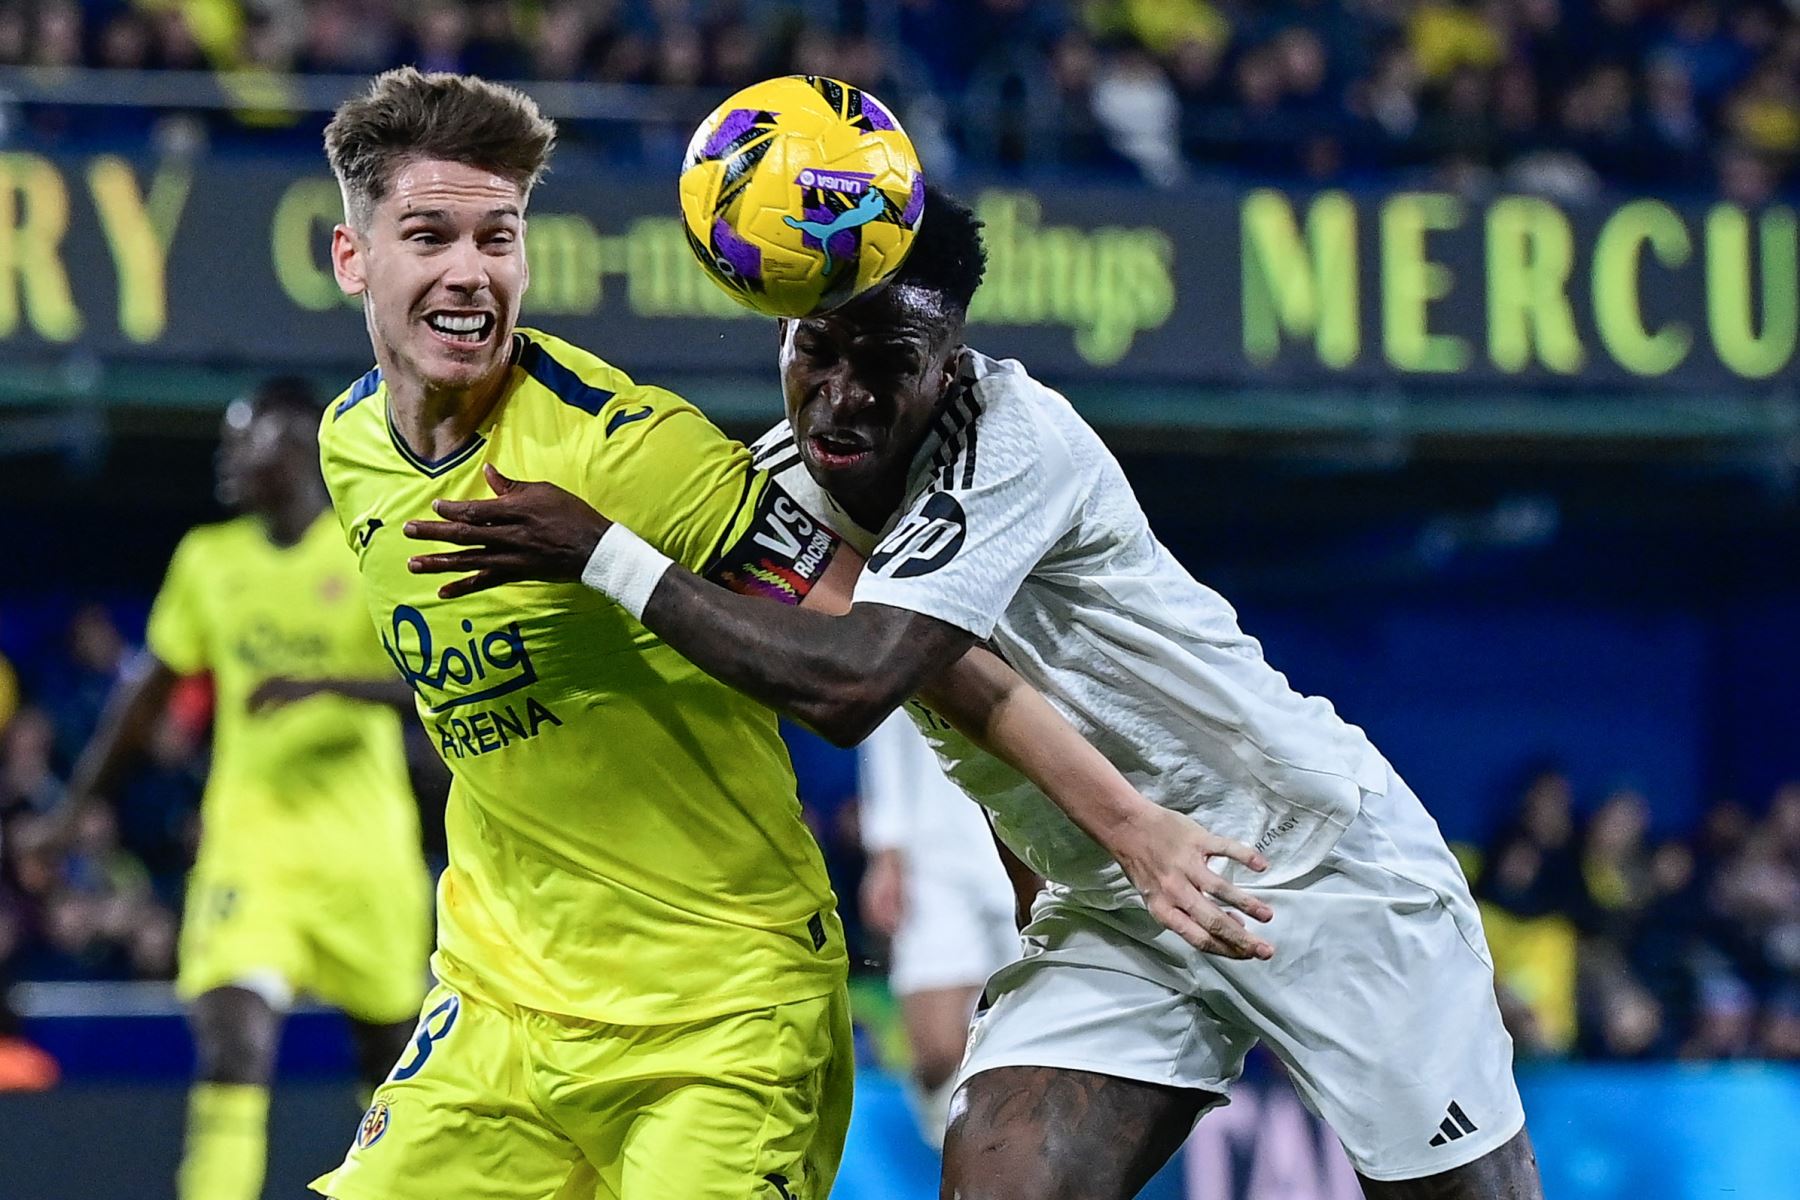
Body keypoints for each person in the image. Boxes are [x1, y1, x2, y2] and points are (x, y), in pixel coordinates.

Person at [408, 184, 1544, 1199]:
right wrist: (1032, 860)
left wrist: (608, 555)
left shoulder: (1014, 438)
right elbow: (973, 701)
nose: (840, 398)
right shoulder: (779, 486)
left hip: (1306, 864)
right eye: (819, 351)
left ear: (949, 356)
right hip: (1118, 908)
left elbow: (860, 682)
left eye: (888, 362)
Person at [312, 68, 1269, 1200]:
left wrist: (1125, 823)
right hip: (498, 1004)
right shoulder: (349, 444)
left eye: (498, 238)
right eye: (429, 237)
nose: (469, 273)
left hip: (719, 1019)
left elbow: (915, 652)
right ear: (353, 257)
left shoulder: (630, 453)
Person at [66, 377, 432, 1200]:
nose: (227, 458)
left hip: (362, 850)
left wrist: (328, 685)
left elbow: (435, 679)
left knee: (390, 1064)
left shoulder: (365, 551)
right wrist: (75, 808)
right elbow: (147, 697)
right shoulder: (208, 560)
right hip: (250, 843)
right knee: (233, 1048)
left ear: (299, 446)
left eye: (246, 439)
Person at [858, 709, 1020, 1147]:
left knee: (1038, 1042)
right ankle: (960, 1164)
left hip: (1033, 843)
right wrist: (885, 849)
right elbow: (887, 721)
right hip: (934, 850)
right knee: (935, 1052)